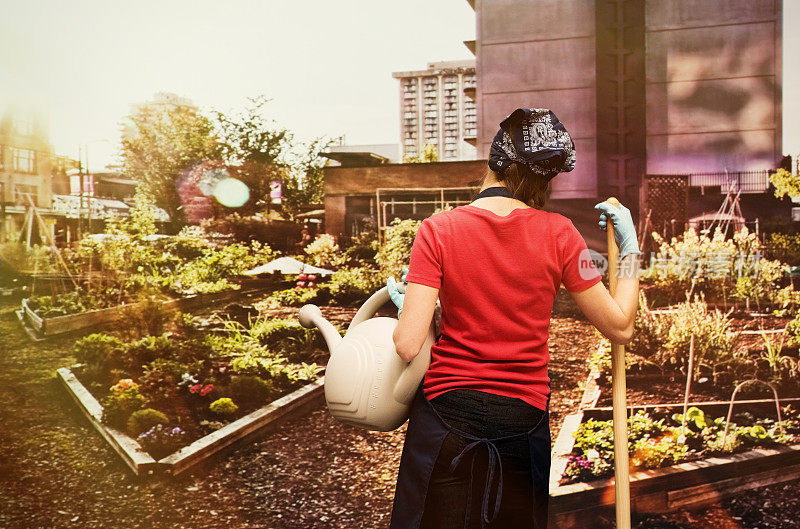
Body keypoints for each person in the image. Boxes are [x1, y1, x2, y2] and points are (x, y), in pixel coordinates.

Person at [386, 108, 641, 529]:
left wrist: (418, 312)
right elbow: (620, 325)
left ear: (492, 160)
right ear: (544, 177)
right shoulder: (561, 233)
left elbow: (407, 344)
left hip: (448, 416)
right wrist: (630, 255)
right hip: (521, 421)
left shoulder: (438, 230)